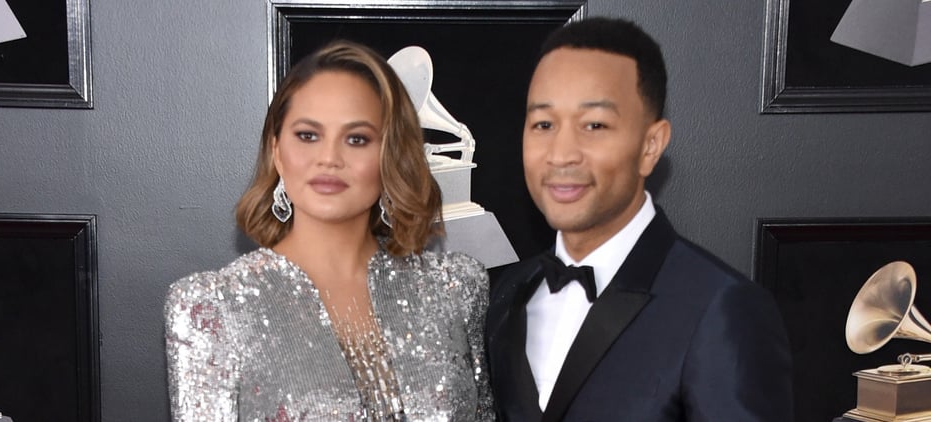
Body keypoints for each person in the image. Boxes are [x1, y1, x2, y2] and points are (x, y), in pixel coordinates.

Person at [165, 40, 493, 421]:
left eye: (357, 139)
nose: (329, 158)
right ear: (277, 152)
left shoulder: (455, 288)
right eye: (308, 135)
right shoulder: (213, 307)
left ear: (391, 155)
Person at [485, 17, 793, 421]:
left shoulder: (723, 309)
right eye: (543, 124)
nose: (561, 154)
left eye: (594, 125)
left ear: (651, 146)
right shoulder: (509, 294)